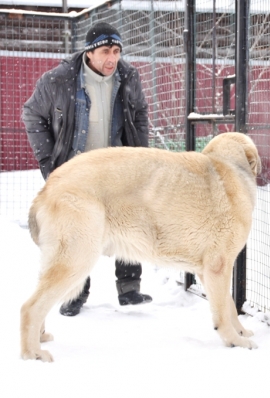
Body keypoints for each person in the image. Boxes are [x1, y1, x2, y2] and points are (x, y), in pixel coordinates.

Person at [22, 22, 153, 316]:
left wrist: (140, 151)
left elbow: (141, 112)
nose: (112, 58)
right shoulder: (59, 79)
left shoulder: (129, 76)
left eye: (117, 51)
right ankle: (75, 293)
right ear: (90, 52)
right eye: (106, 50)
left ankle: (129, 288)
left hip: (118, 167)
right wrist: (49, 161)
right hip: (77, 171)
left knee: (129, 221)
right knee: (77, 230)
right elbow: (32, 113)